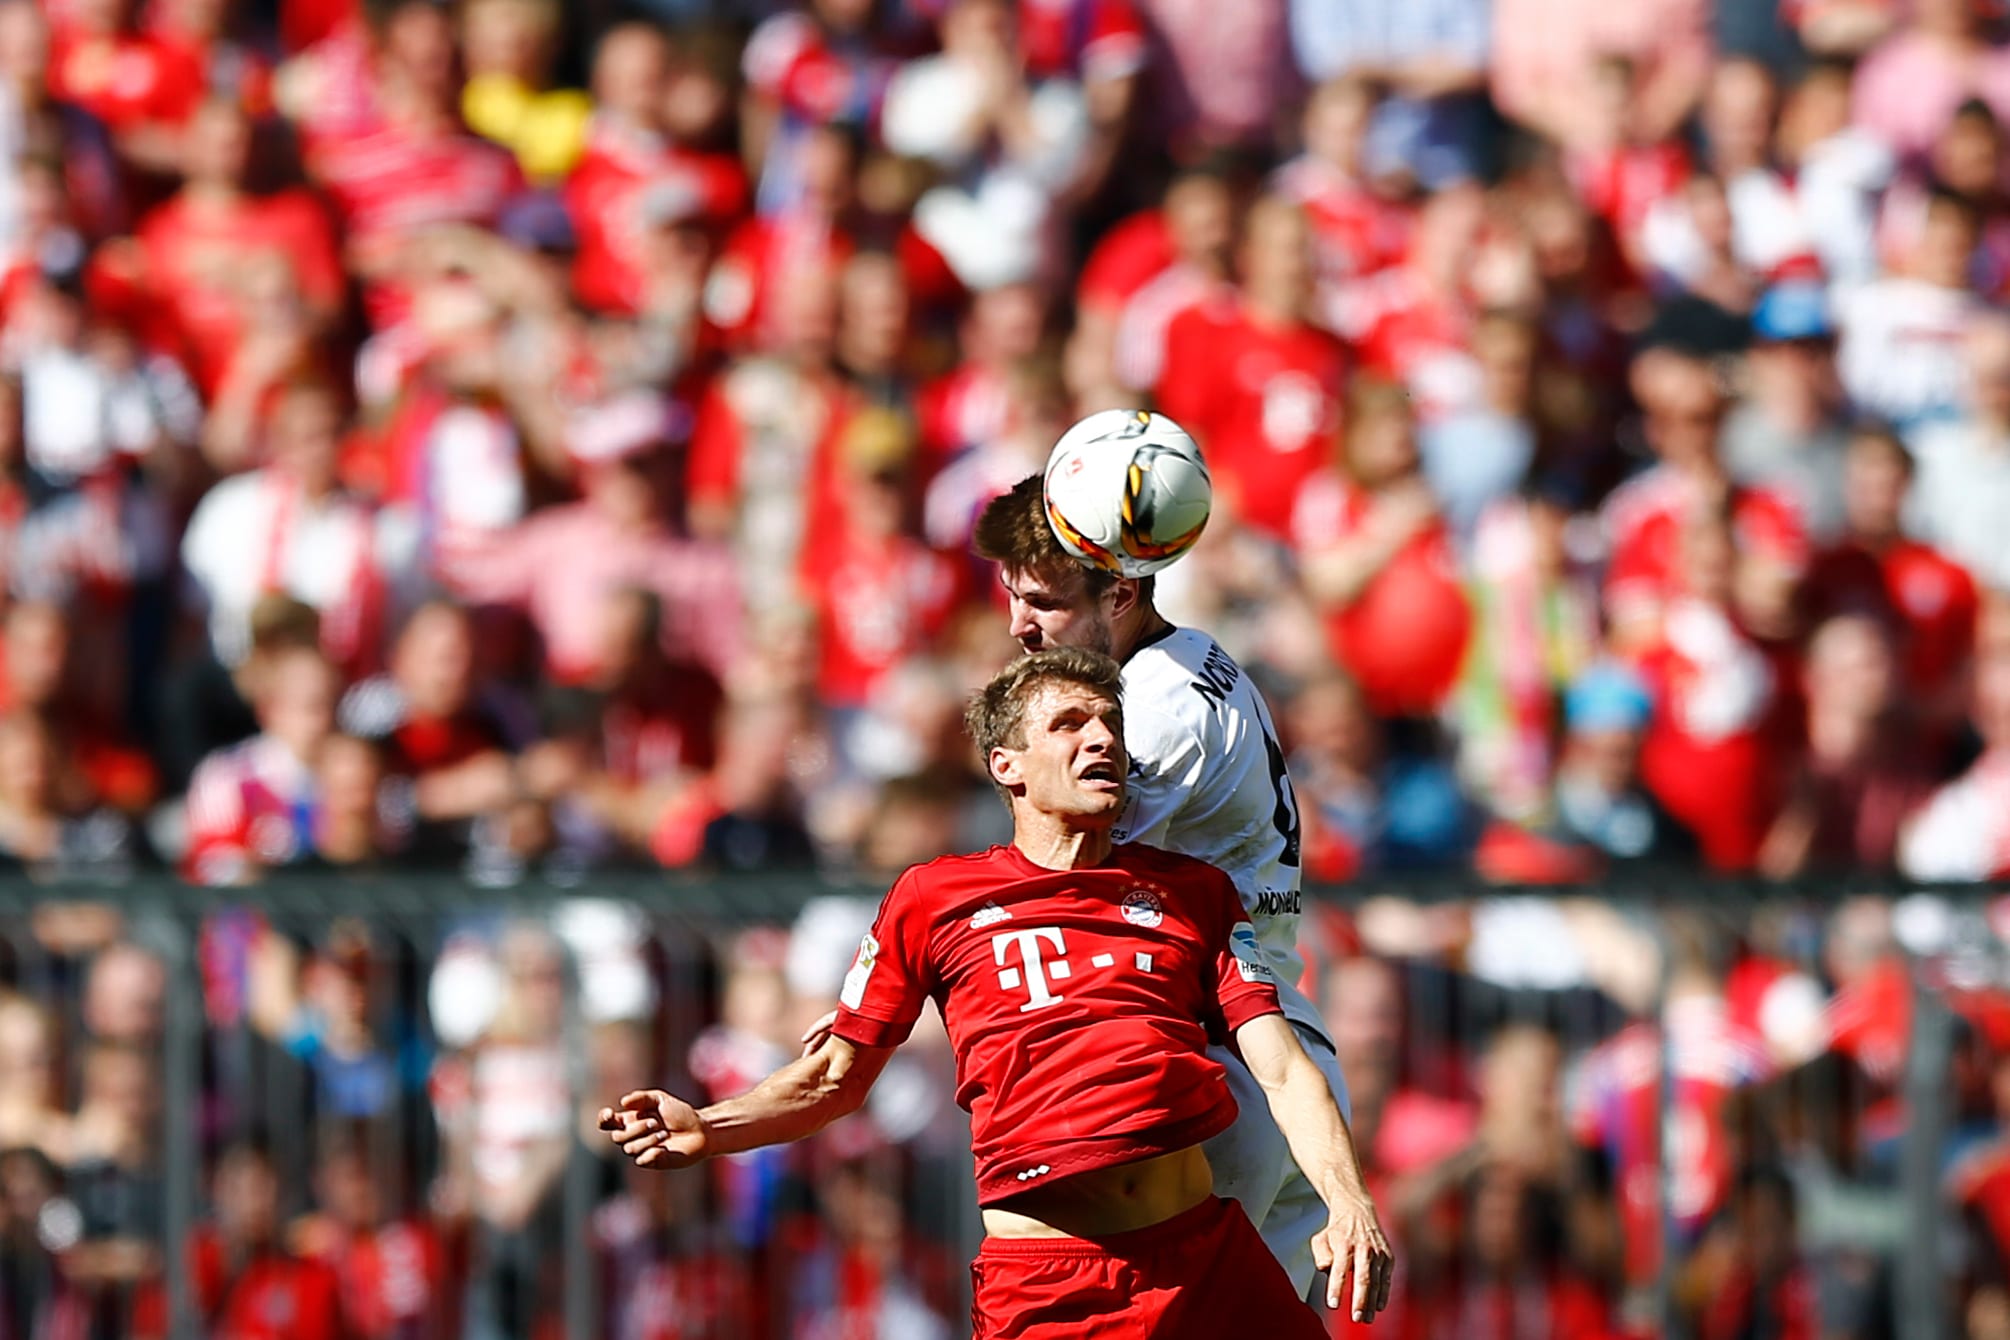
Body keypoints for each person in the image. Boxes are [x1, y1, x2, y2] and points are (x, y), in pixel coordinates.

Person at [601, 649, 1393, 1333]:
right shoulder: (934, 898)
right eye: (1069, 724)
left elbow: (1283, 1068)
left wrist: (1348, 1199)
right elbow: (834, 1077)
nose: (1101, 739)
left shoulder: (1194, 894)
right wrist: (710, 1126)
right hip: (1053, 1284)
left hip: (1202, 1257)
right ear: (1006, 765)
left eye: (1110, 724)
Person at [957, 472, 1357, 1299]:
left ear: (1120, 593)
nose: (1019, 625)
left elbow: (1073, 891)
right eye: (1012, 595)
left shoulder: (1150, 712)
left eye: (1044, 602)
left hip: (1206, 1074)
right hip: (1276, 1042)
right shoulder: (1192, 659)